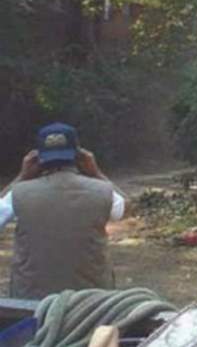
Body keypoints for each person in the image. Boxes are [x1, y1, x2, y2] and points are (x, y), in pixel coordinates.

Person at [0, 122, 126, 298]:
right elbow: (124, 209)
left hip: (31, 299)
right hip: (92, 300)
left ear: (37, 159)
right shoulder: (102, 190)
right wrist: (96, 173)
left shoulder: (19, 192)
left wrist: (21, 177)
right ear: (79, 157)